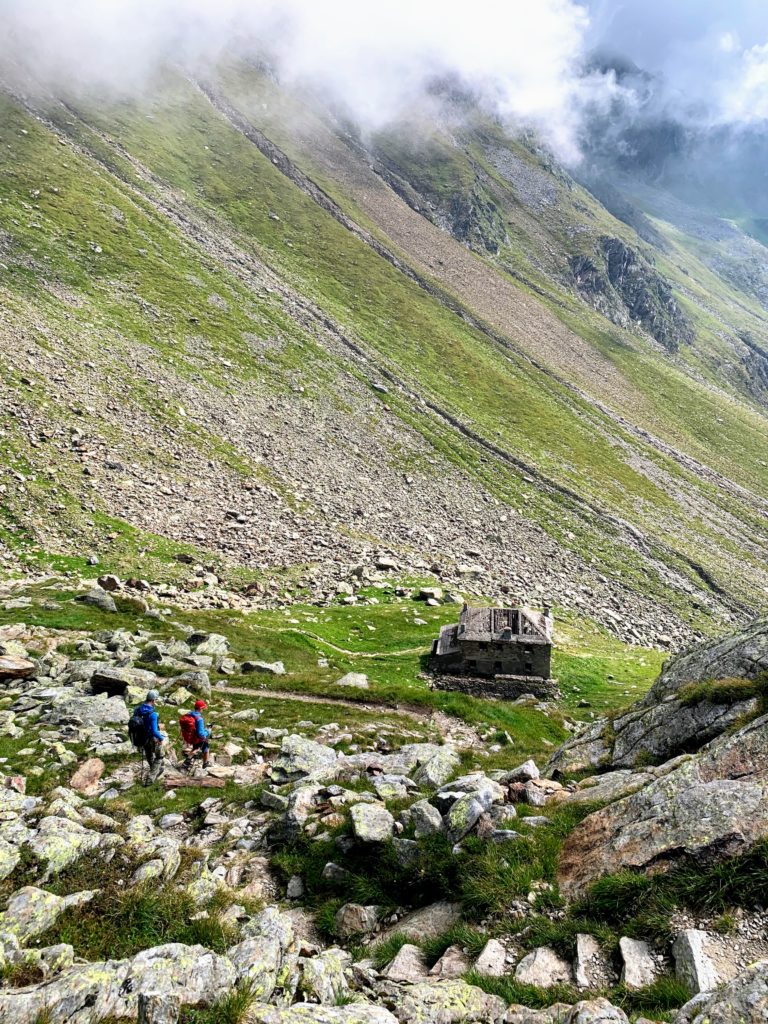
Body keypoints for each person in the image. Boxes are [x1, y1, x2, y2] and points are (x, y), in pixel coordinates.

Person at [133, 689, 167, 783]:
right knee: (160, 756)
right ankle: (150, 779)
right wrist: (161, 738)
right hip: (152, 738)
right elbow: (155, 731)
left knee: (149, 754)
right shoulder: (153, 714)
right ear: (153, 700)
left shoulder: (138, 710)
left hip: (141, 737)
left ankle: (154, 770)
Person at [180, 699, 212, 770]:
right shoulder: (199, 719)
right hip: (197, 738)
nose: (203, 710)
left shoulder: (190, 714)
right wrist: (208, 731)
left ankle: (187, 761)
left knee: (196, 748)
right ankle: (205, 764)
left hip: (191, 736)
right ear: (200, 708)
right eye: (203, 709)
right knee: (206, 746)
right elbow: (201, 734)